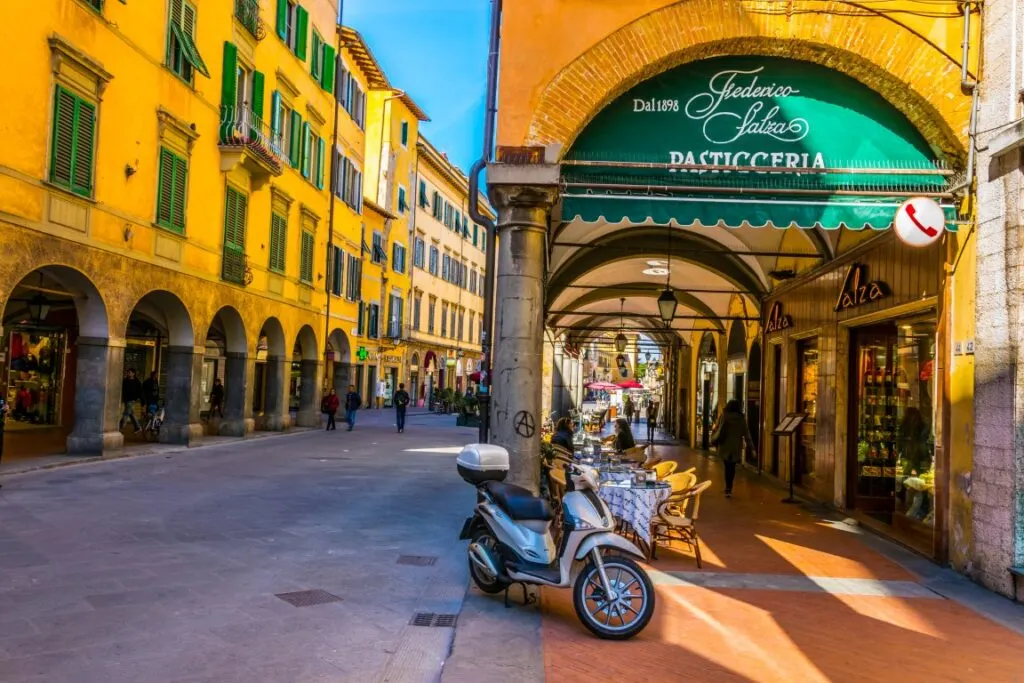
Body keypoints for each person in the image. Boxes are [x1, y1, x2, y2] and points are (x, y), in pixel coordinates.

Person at [711, 399, 755, 498]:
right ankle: (729, 488)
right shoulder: (741, 419)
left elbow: (717, 428)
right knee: (732, 467)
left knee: (727, 467)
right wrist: (752, 448)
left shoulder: (724, 416)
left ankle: (727, 488)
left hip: (725, 446)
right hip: (735, 447)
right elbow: (747, 434)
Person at [120, 368, 143, 433]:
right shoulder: (125, 381)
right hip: (126, 400)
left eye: (129, 372)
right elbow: (123, 390)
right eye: (128, 372)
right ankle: (138, 427)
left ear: (133, 373)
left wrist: (138, 398)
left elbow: (139, 391)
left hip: (132, 400)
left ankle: (121, 427)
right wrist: (122, 398)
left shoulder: (137, 382)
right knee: (131, 414)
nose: (128, 373)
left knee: (126, 413)